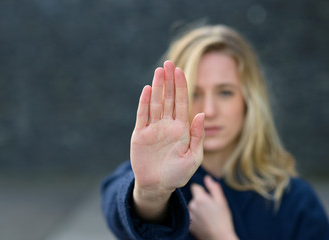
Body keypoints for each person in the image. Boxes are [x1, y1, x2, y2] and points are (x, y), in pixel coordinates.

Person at [101, 24, 329, 240]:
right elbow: (119, 208)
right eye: (195, 93)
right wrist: (152, 194)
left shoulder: (294, 201)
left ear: (249, 99)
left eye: (225, 92)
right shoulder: (150, 176)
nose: (209, 111)